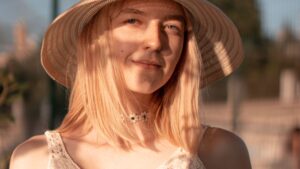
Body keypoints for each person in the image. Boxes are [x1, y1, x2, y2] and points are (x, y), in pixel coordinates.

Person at [9, 0, 252, 168]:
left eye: (171, 27)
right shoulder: (34, 160)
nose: (155, 41)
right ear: (95, 39)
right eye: (133, 20)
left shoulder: (220, 153)